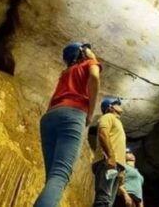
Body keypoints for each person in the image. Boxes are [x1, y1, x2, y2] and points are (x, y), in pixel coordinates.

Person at [34, 42, 101, 207]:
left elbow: (52, 100)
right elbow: (94, 77)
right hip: (73, 114)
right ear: (82, 52)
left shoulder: (65, 73)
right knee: (60, 174)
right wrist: (90, 113)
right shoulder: (88, 63)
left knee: (53, 177)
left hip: (50, 116)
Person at [93, 98, 127, 207]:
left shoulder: (118, 122)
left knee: (108, 203)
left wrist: (121, 170)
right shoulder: (107, 117)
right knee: (103, 199)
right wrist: (110, 156)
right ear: (110, 107)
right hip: (107, 162)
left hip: (115, 165)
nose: (119, 105)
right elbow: (103, 134)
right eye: (117, 103)